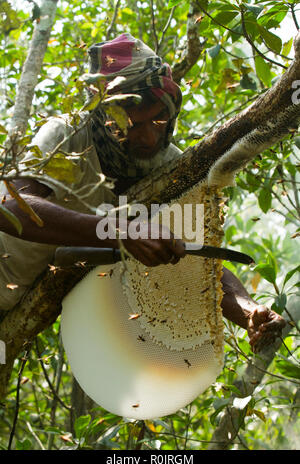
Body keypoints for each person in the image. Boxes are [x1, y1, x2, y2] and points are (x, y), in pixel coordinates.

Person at [0, 33, 285, 352]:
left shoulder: (170, 166)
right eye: (132, 125)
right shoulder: (68, 136)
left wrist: (248, 312)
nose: (149, 137)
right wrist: (119, 232)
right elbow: (9, 207)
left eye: (158, 120)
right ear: (106, 117)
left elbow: (195, 254)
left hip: (15, 315)